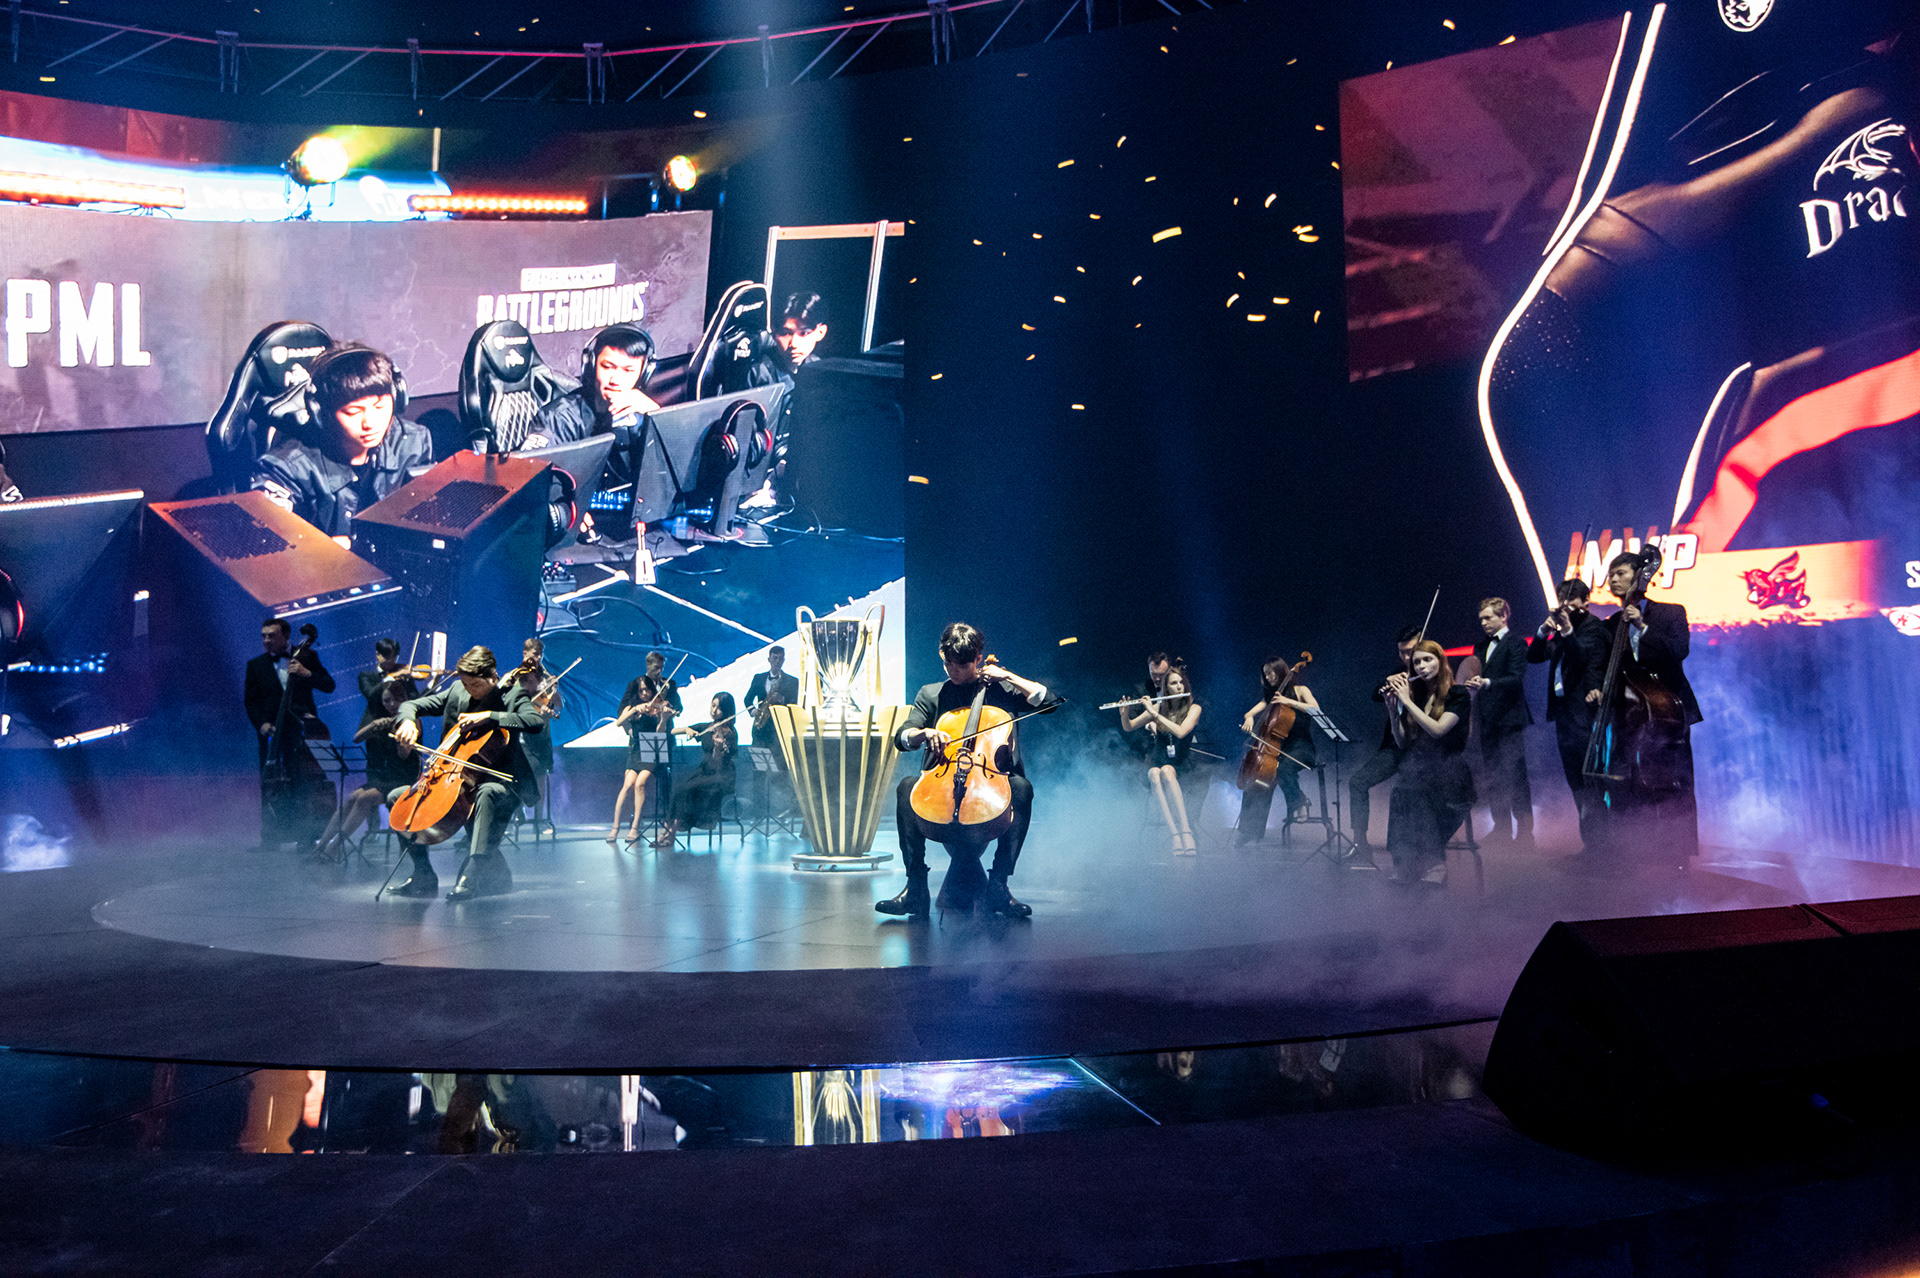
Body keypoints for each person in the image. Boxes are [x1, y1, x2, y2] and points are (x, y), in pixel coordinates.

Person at [878, 623, 1060, 919]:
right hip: (942, 784)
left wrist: (1008, 676)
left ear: (978, 659)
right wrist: (923, 733)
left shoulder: (1001, 690)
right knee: (906, 787)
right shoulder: (932, 694)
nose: (953, 671)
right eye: (948, 664)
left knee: (1022, 789)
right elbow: (902, 736)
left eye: (961, 665)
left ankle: (999, 885)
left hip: (989, 783)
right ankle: (915, 888)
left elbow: (1048, 701)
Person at [387, 645, 546, 900]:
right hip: (455, 779)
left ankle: (471, 876)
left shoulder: (512, 695)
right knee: (398, 798)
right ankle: (423, 875)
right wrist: (407, 721)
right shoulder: (457, 690)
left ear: (493, 677)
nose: (469, 689)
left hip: (501, 781)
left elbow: (534, 722)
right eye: (465, 683)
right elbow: (411, 705)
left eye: (475, 685)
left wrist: (491, 716)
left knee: (486, 792)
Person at [250, 344, 433, 547]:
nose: (370, 422)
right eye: (353, 412)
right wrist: (318, 548)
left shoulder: (413, 442)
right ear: (322, 413)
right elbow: (264, 545)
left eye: (380, 406)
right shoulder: (286, 469)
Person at [1592, 551, 1703, 869]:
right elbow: (1604, 668)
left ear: (1640, 577)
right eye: (1611, 574)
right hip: (1629, 715)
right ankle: (1636, 850)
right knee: (1629, 781)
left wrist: (1642, 626)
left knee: (1675, 781)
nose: (1613, 579)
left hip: (1667, 711)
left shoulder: (1671, 612)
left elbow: (1679, 651)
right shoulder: (1611, 625)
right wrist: (1597, 687)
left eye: (1621, 573)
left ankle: (1677, 855)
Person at [1527, 578, 1610, 851]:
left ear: (1586, 601)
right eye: (1562, 599)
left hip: (1584, 713)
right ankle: (1591, 843)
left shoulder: (1593, 627)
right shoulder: (1561, 633)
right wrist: (1543, 631)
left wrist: (1567, 629)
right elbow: (1534, 656)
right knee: (1574, 780)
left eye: (1572, 599)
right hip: (1564, 714)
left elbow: (1582, 657)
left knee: (1589, 780)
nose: (1566, 605)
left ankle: (1603, 844)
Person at [1383, 640, 1475, 885]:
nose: (1422, 666)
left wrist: (1407, 701)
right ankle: (1403, 861)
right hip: (1422, 769)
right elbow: (1403, 742)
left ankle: (1435, 862)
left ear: (1440, 661)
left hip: (1450, 772)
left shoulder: (1457, 694)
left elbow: (1438, 730)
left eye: (1427, 660)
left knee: (1418, 790)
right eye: (1417, 662)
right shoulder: (1419, 696)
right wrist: (1393, 710)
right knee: (1401, 790)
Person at [244, 616, 336, 853]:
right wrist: (262, 724)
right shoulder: (255, 665)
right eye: (264, 636)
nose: (266, 640)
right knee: (270, 785)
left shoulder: (307, 656)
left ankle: (306, 837)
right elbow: (251, 701)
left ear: (285, 636)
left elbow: (329, 684)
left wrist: (307, 673)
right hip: (273, 734)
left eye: (272, 636)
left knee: (302, 784)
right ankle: (271, 838)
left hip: (301, 734)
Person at [315, 681, 419, 863]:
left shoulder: (411, 721)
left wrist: (401, 739)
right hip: (384, 777)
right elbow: (357, 738)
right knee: (351, 798)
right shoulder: (381, 719)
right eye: (387, 701)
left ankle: (334, 848)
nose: (392, 705)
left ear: (404, 699)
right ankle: (321, 846)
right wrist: (375, 725)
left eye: (397, 700)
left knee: (364, 798)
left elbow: (404, 757)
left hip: (402, 778)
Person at [1464, 597, 1534, 847]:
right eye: (1481, 619)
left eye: (1488, 618)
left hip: (1510, 721)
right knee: (1493, 776)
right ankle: (1501, 828)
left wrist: (1487, 683)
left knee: (1516, 776)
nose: (1483, 623)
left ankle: (1525, 833)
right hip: (1487, 720)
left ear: (1503, 616)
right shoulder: (1480, 647)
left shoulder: (1516, 643)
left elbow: (1516, 678)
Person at [1349, 625, 1423, 856]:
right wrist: (1387, 681)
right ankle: (1360, 843)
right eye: (1402, 652)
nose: (1406, 658)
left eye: (1411, 652)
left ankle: (1416, 846)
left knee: (1406, 790)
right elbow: (1375, 695)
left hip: (1421, 749)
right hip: (1395, 746)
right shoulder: (1400, 672)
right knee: (1357, 782)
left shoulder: (1432, 676)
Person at [1234, 655, 1319, 846]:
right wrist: (1249, 718)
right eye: (1266, 674)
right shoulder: (1272, 697)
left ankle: (1300, 801)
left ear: (1280, 670)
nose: (1268, 677)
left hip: (1302, 747)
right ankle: (1249, 831)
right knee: (1259, 779)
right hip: (1278, 748)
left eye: (1271, 672)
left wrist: (1290, 702)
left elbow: (1315, 709)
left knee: (1282, 770)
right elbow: (1251, 712)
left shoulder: (1300, 690)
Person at [529, 324, 660, 447]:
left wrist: (657, 419)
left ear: (644, 374)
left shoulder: (645, 412)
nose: (615, 380)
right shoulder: (558, 418)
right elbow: (535, 464)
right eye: (608, 367)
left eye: (628, 370)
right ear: (591, 365)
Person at [1122, 664, 1202, 854]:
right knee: (1154, 772)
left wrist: (1155, 714)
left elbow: (1181, 732)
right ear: (1167, 687)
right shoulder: (1159, 706)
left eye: (1181, 682)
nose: (1179, 687)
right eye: (1174, 683)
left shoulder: (1194, 708)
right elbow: (1129, 726)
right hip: (1159, 760)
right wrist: (1124, 714)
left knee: (1166, 770)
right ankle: (1175, 835)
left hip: (1181, 764)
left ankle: (1186, 831)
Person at [610, 651, 681, 845]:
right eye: (656, 668)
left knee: (664, 784)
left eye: (661, 668)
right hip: (639, 741)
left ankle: (666, 827)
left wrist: (668, 709)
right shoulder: (636, 684)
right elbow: (621, 711)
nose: (659, 672)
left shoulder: (669, 685)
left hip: (661, 740)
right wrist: (630, 729)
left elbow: (678, 707)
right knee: (630, 784)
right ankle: (630, 824)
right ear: (648, 666)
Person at [652, 693, 740, 848]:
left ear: (726, 711)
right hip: (704, 772)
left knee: (686, 790)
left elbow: (718, 764)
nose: (714, 710)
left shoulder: (731, 734)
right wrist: (687, 729)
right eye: (713, 705)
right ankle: (667, 831)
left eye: (719, 708)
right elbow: (672, 732)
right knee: (679, 790)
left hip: (721, 776)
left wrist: (718, 748)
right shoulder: (707, 727)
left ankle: (669, 834)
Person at [506, 639, 561, 829]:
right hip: (522, 736)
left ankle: (539, 821)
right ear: (525, 654)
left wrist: (554, 690)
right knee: (519, 777)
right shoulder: (516, 677)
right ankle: (518, 810)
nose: (537, 659)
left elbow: (558, 705)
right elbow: (513, 702)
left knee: (540, 779)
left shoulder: (545, 678)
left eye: (540, 655)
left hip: (541, 736)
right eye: (534, 655)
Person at [744, 645, 800, 753]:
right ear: (769, 659)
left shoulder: (793, 681)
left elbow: (795, 705)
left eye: (780, 658)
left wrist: (782, 700)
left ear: (783, 660)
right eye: (775, 658)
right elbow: (747, 699)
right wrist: (753, 710)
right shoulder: (758, 678)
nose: (777, 661)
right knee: (758, 759)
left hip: (779, 730)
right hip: (760, 729)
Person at [1116, 651, 1171, 757]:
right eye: (1154, 674)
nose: (1157, 679)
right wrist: (1148, 725)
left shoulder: (1176, 687)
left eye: (1161, 675)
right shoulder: (1141, 689)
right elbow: (1131, 719)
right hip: (1149, 746)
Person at [356, 637, 418, 729]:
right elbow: (371, 695)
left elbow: (415, 698)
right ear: (378, 654)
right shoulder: (366, 676)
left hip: (399, 725)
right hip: (376, 728)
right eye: (387, 657)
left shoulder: (402, 674)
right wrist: (391, 677)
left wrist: (432, 683)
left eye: (394, 657)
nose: (391, 660)